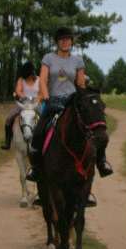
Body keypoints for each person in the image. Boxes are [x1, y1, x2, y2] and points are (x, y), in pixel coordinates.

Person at [26, 27, 112, 206]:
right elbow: (42, 79)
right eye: (62, 39)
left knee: (95, 128)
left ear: (72, 42)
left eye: (68, 39)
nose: (65, 42)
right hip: (53, 100)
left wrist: (84, 97)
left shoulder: (78, 60)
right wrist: (46, 96)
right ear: (57, 42)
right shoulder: (48, 58)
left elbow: (80, 83)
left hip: (74, 102)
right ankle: (36, 169)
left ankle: (101, 162)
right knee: (39, 131)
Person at [0, 61, 40, 150]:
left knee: (45, 118)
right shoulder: (21, 80)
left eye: (28, 75)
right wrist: (24, 97)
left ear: (32, 73)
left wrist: (37, 99)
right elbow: (18, 90)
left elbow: (42, 92)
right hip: (23, 103)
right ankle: (8, 142)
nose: (27, 78)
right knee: (9, 118)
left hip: (36, 104)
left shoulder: (39, 80)